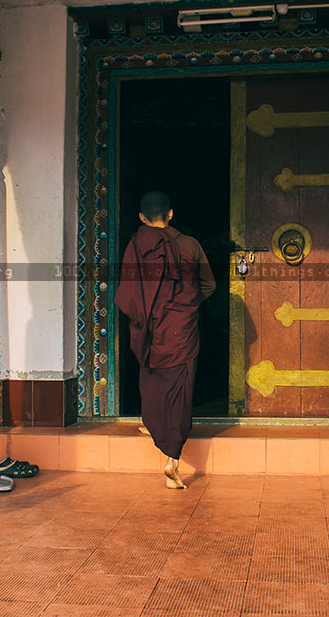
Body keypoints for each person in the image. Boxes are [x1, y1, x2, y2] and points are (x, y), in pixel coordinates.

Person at [114, 190, 215, 489]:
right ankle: (172, 460)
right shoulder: (191, 244)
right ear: (171, 214)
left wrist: (147, 313)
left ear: (142, 217)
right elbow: (208, 284)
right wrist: (186, 303)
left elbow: (130, 292)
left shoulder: (136, 245)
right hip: (181, 327)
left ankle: (154, 426)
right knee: (180, 391)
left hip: (152, 329)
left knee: (153, 383)